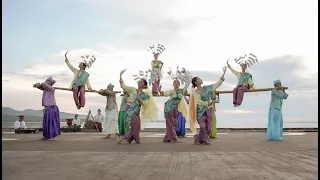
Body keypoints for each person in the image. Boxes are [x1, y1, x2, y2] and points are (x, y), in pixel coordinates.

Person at [118, 69, 159, 144]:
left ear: (144, 85)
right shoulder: (133, 89)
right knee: (135, 125)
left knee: (137, 126)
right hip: (129, 109)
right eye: (139, 82)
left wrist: (139, 99)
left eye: (141, 82)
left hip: (136, 111)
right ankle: (131, 138)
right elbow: (124, 86)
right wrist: (120, 75)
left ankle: (129, 138)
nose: (139, 83)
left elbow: (146, 103)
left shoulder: (144, 94)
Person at [189, 67, 227, 145]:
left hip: (209, 110)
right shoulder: (195, 92)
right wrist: (208, 103)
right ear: (196, 82)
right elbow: (199, 101)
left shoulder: (207, 88)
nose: (200, 79)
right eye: (199, 79)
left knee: (209, 129)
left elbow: (216, 85)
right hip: (200, 112)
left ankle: (198, 138)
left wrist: (222, 76)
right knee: (203, 127)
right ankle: (205, 141)